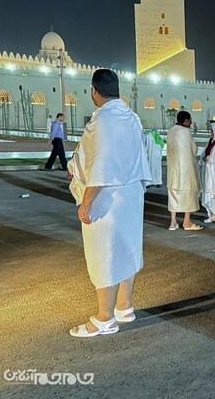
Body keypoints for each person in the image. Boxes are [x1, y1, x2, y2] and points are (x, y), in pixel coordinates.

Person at [67, 69, 151, 337]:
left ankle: (105, 319)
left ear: (94, 91)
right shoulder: (131, 117)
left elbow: (101, 165)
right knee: (126, 248)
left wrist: (86, 203)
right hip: (131, 194)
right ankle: (124, 307)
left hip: (107, 198)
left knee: (105, 253)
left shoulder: (104, 120)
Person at [166, 110, 203, 230]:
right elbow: (194, 149)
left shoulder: (171, 131)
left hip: (173, 171)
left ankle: (173, 222)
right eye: (190, 120)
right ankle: (187, 222)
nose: (191, 122)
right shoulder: (185, 132)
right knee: (188, 195)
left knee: (173, 195)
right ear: (186, 121)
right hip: (186, 172)